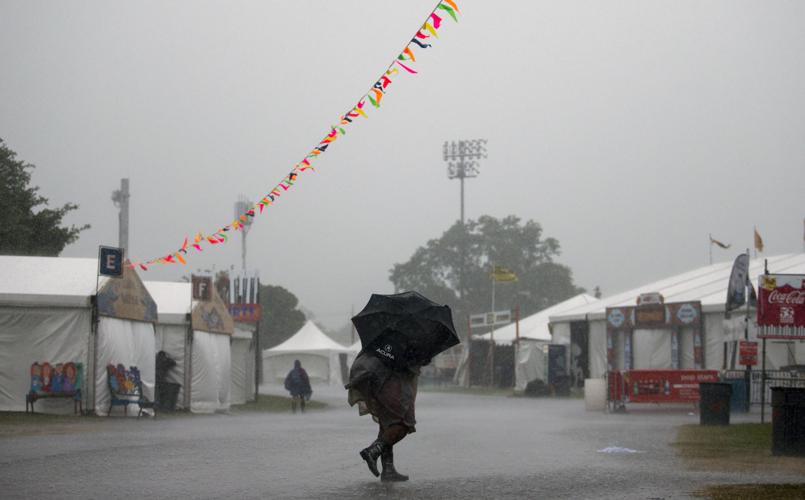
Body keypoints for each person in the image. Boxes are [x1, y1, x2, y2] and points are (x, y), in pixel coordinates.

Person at [345, 349, 422, 482]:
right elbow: (407, 362)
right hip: (390, 381)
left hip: (376, 379)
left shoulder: (381, 339)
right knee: (402, 424)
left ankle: (388, 469)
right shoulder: (406, 341)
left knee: (386, 425)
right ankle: (373, 451)